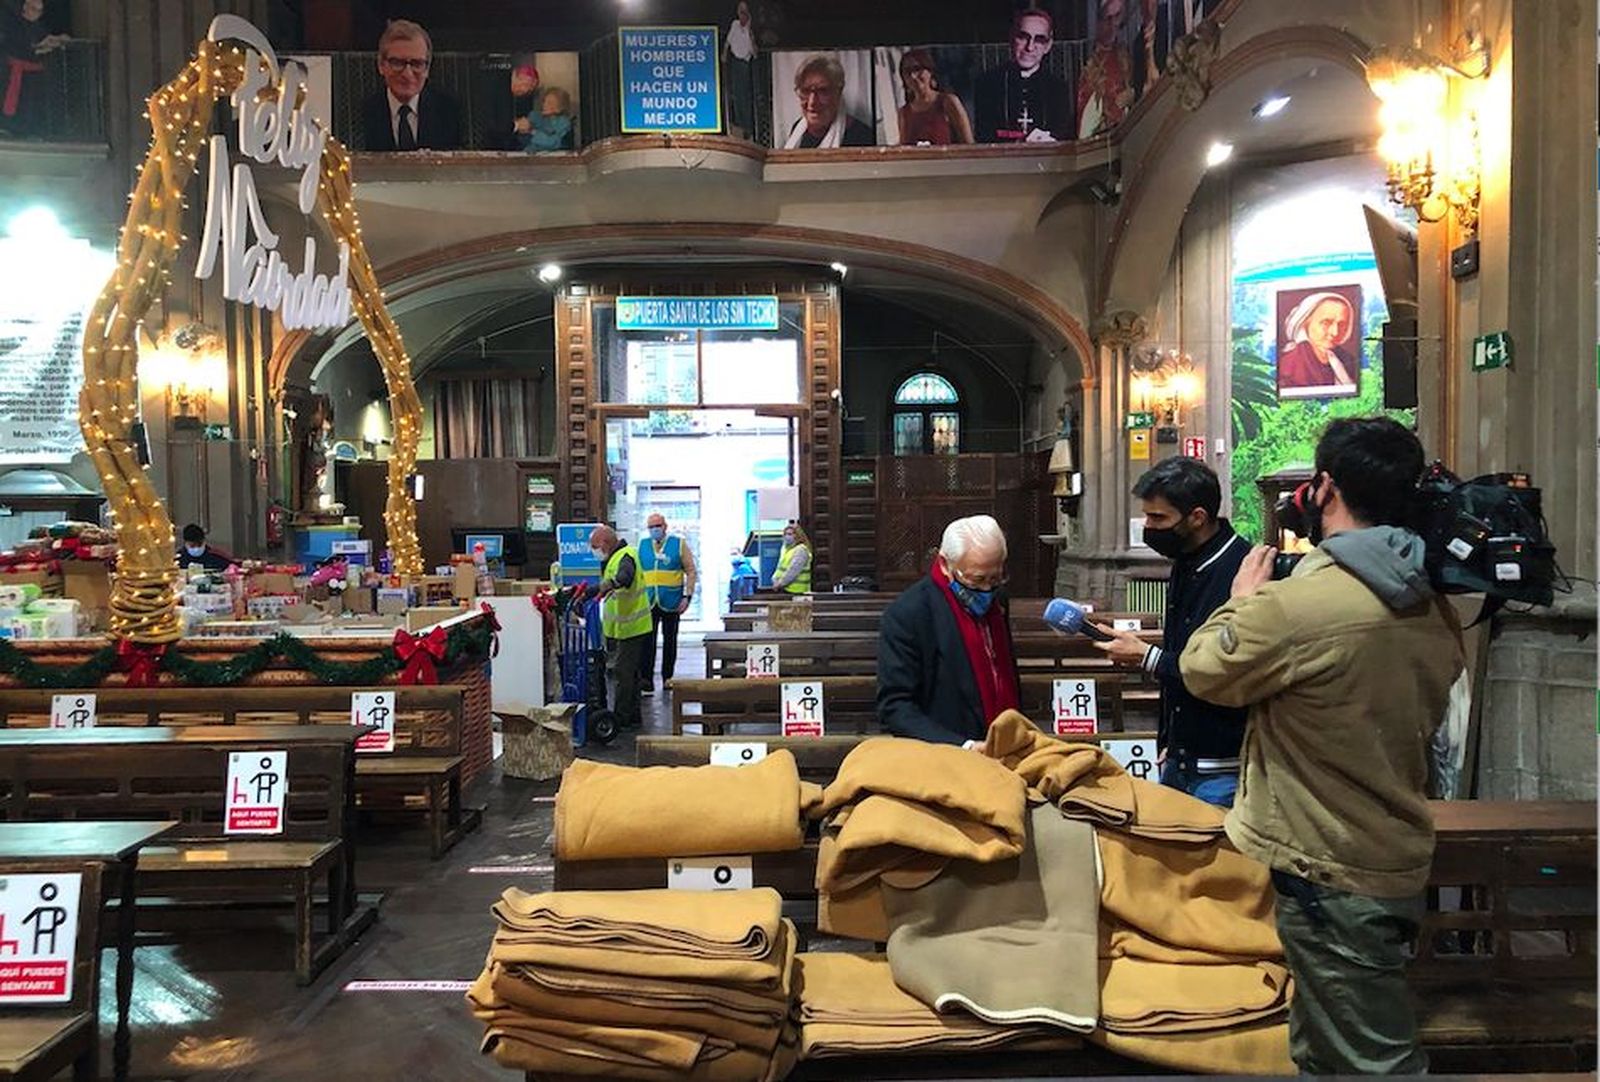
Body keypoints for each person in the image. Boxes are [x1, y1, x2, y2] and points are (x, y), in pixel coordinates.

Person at [1179, 417, 1463, 1075]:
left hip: (1328, 860)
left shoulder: (1304, 604)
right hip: (1390, 838)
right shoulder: (1428, 597)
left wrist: (1242, 601)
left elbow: (1203, 671)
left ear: (1325, 487)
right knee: (1325, 1045)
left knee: (1372, 1062)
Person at [1091, 457, 1248, 807]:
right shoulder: (1186, 562)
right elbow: (1182, 650)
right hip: (1179, 758)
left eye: (1158, 518)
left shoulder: (1243, 570)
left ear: (1197, 517)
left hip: (1223, 765)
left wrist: (1147, 656)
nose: (1148, 527)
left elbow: (1224, 668)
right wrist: (1168, 741)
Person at [877, 515, 1020, 746]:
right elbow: (895, 707)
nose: (986, 590)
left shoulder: (998, 599)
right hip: (947, 754)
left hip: (1006, 744)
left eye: (995, 578)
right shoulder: (909, 613)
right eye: (977, 580)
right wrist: (965, 746)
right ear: (946, 565)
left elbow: (1003, 672)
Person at [972, 9, 1073, 144]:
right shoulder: (987, 83)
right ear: (1012, 38)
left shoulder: (1058, 88)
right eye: (1023, 37)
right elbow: (983, 136)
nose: (1030, 47)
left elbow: (1063, 136)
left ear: (1048, 46)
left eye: (1039, 39)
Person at [361, 19, 462, 152]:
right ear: (381, 65)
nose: (407, 74)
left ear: (427, 69)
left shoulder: (449, 111)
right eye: (397, 63)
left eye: (416, 64)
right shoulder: (362, 114)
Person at [590, 524, 651, 730]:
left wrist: (607, 585)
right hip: (622, 627)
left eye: (595, 546)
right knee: (630, 674)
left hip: (632, 626)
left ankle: (620, 718)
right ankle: (633, 715)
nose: (594, 550)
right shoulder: (613, 558)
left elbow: (625, 577)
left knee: (622, 674)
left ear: (606, 542)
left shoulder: (626, 556)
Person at [637, 512, 698, 689]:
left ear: (665, 526)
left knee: (670, 641)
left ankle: (667, 678)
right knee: (647, 642)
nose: (654, 529)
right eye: (651, 527)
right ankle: (646, 680)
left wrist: (687, 596)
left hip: (672, 601)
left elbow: (691, 571)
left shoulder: (678, 544)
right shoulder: (642, 545)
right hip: (649, 601)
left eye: (657, 526)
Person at [783, 54, 874, 148]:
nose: (812, 102)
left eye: (822, 91)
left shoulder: (862, 136)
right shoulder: (797, 129)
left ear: (838, 92)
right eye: (805, 91)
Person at [1278, 291, 1359, 396]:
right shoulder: (1289, 366)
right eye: (1326, 323)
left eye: (1342, 324)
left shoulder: (1348, 360)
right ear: (1305, 323)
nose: (1335, 332)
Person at [1075, 0, 1134, 138]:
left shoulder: (1127, 54)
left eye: (1117, 16)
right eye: (1107, 18)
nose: (1112, 24)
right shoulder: (1088, 59)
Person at [897, 49, 973, 145]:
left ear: (929, 71)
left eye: (917, 69)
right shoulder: (904, 113)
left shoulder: (948, 102)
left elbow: (968, 144)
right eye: (907, 72)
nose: (913, 76)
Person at [723, 1, 757, 136]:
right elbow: (728, 41)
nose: (742, 14)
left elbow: (755, 52)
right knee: (736, 94)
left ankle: (748, 126)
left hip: (745, 63)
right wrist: (724, 53)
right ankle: (739, 124)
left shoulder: (750, 30)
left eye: (744, 12)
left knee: (745, 95)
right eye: (740, 11)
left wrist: (749, 31)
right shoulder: (735, 25)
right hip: (735, 61)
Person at [516, 87, 574, 151]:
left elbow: (553, 143)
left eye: (550, 103)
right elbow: (522, 139)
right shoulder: (534, 116)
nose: (544, 105)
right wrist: (521, 128)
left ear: (560, 107)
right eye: (544, 101)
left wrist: (532, 131)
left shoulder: (563, 123)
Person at [769, 521, 812, 593]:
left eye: (789, 534)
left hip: (797, 591)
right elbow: (780, 567)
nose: (786, 536)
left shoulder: (801, 550)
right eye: (785, 534)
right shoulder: (786, 548)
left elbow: (793, 570)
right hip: (784, 589)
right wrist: (775, 579)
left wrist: (780, 583)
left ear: (797, 535)